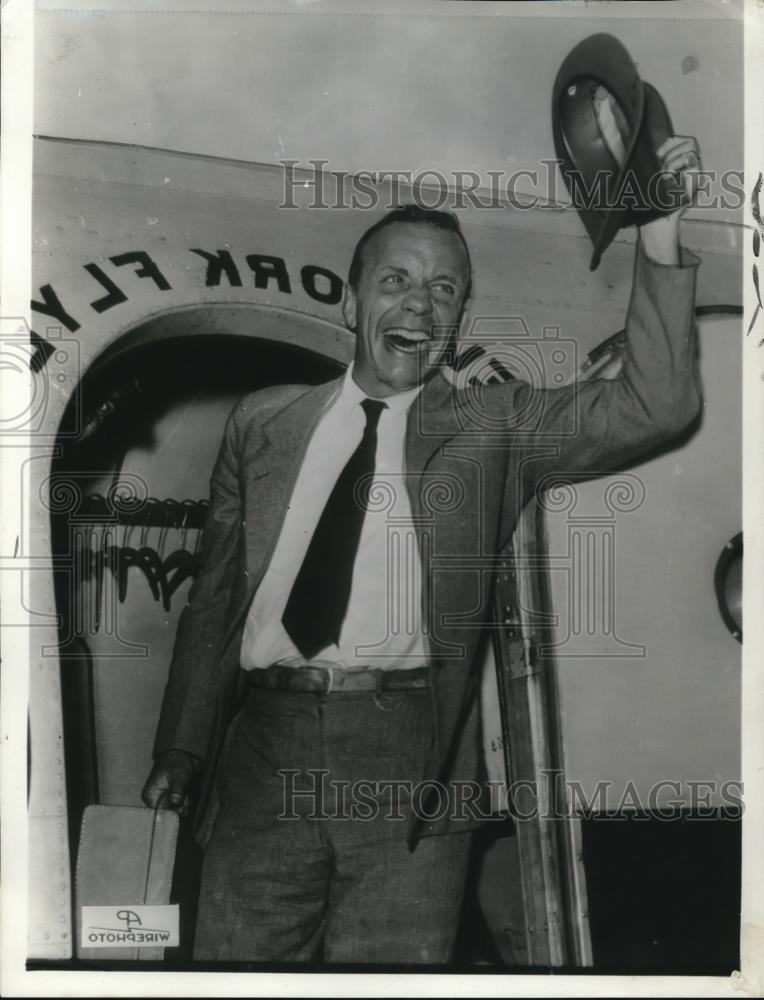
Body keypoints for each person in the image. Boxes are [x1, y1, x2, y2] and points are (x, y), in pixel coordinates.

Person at [142, 135, 702, 964]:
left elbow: (657, 405)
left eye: (443, 290)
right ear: (352, 300)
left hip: (411, 762)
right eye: (396, 282)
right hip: (263, 754)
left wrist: (658, 229)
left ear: (461, 317)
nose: (419, 307)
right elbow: (217, 604)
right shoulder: (265, 422)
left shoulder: (494, 427)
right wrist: (182, 752)